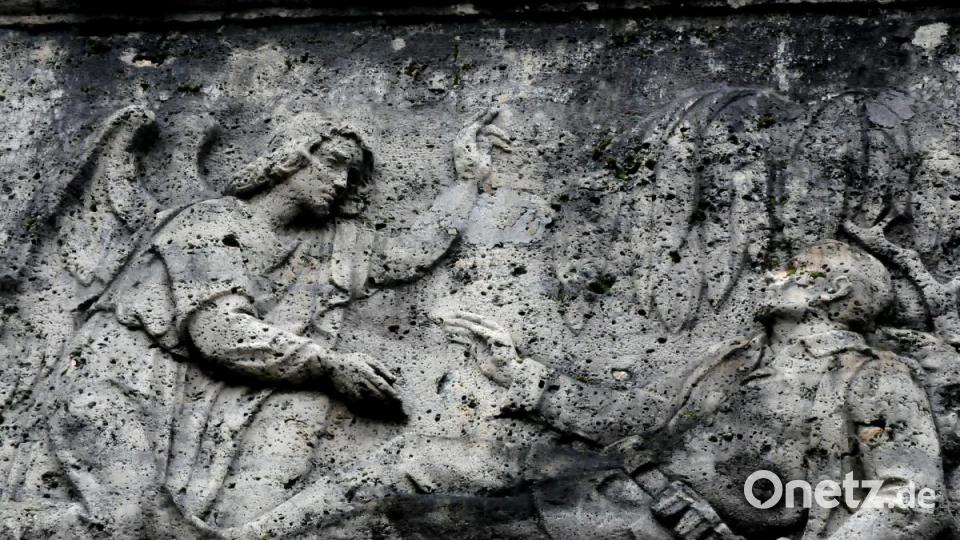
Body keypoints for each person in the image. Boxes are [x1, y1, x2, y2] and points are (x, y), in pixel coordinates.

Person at [2, 107, 510, 539]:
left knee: (150, 527)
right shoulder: (211, 223)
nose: (340, 182)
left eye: (350, 176)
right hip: (117, 386)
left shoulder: (325, 247)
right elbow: (218, 332)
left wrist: (468, 180)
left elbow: (404, 256)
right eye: (332, 163)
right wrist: (329, 366)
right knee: (127, 521)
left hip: (185, 408)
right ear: (289, 155)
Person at [431, 240, 948, 539]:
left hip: (660, 530)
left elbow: (914, 499)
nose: (774, 275)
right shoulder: (738, 357)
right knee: (416, 496)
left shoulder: (874, 374)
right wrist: (521, 375)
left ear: (830, 290)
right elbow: (641, 422)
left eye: (793, 270)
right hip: (602, 495)